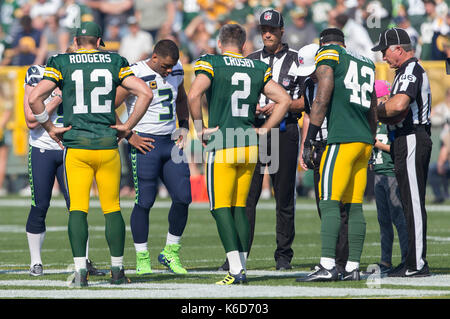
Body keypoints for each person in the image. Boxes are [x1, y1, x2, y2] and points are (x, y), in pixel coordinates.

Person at [28, 21, 153, 286]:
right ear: (98, 42)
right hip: (107, 145)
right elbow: (144, 93)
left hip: (77, 147)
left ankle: (80, 272)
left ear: (76, 42)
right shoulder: (114, 60)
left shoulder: (61, 62)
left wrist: (50, 127)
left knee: (78, 210)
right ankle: (117, 271)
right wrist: (128, 127)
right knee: (112, 208)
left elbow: (34, 99)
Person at [188, 23, 291, 285]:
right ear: (244, 46)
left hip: (223, 141)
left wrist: (200, 130)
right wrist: (266, 129)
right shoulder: (257, 66)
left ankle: (235, 269)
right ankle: (241, 266)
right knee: (239, 207)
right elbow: (284, 100)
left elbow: (194, 94)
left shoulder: (211, 62)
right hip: (248, 144)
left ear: (220, 43)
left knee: (219, 207)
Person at [218, 9, 304, 272]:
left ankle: (283, 256)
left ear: (281, 31)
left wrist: (283, 107)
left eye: (272, 29)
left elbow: (304, 101)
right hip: (253, 132)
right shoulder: (250, 59)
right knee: (245, 197)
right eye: (263, 29)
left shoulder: (297, 61)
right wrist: (254, 109)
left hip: (284, 131)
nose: (267, 33)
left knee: (284, 197)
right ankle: (238, 255)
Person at [298, 28, 377, 282]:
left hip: (342, 138)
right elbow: (373, 106)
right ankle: (352, 267)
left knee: (329, 201)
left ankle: (327, 265)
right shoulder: (365, 60)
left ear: (323, 44)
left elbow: (322, 95)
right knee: (355, 207)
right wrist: (371, 139)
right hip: (363, 140)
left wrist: (310, 138)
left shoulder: (329, 54)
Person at [22, 53, 108, 277]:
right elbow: (31, 121)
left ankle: (84, 260)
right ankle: (36, 262)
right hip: (42, 149)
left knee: (78, 206)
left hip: (71, 148)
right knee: (40, 205)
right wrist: (56, 99)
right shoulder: (37, 74)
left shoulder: (75, 74)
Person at [115, 39, 192, 275]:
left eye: (172, 66)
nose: (169, 71)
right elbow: (107, 106)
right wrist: (129, 135)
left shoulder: (176, 70)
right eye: (165, 66)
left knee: (183, 197)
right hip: (144, 142)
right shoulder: (134, 73)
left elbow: (180, 98)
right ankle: (142, 256)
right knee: (145, 201)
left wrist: (185, 124)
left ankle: (170, 252)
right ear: (155, 57)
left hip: (170, 142)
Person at [372, 27, 432, 277]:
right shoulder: (403, 72)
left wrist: (373, 110)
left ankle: (417, 263)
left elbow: (398, 104)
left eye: (385, 51)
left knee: (414, 203)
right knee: (408, 202)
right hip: (403, 139)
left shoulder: (410, 70)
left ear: (398, 48)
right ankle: (411, 260)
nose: (383, 57)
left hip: (411, 138)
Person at [297, 42, 350, 276]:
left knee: (339, 206)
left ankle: (342, 262)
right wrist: (305, 146)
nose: (309, 75)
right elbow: (309, 114)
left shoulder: (338, 79)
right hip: (319, 144)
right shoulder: (309, 84)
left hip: (337, 142)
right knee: (323, 205)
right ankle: (334, 259)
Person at [370, 80, 409, 275]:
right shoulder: (374, 121)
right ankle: (385, 260)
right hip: (378, 174)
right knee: (383, 220)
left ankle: (406, 258)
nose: (373, 102)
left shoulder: (391, 122)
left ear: (385, 98)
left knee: (399, 218)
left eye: (375, 98)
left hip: (391, 173)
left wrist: (376, 144)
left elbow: (397, 149)